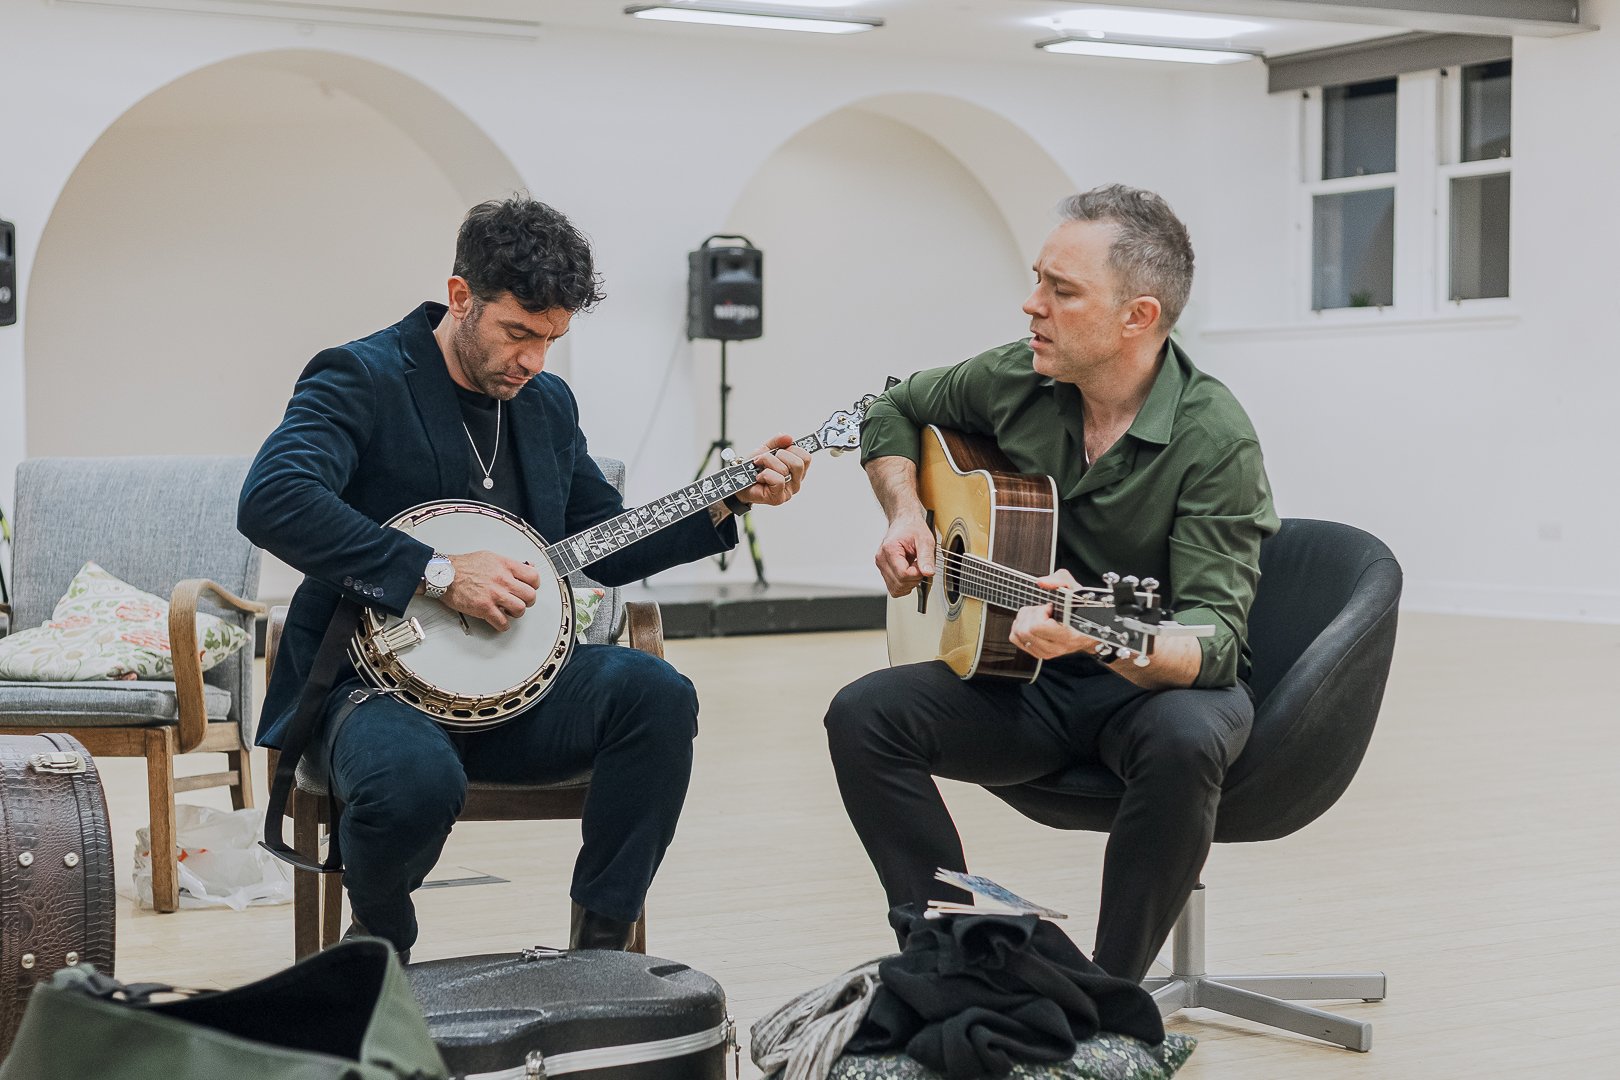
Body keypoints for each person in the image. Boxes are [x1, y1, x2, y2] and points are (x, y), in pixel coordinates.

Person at [239, 195, 809, 958]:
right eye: (518, 333)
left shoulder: (543, 404)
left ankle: (601, 946)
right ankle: (378, 949)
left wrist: (724, 499)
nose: (533, 360)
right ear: (460, 297)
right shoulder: (363, 377)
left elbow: (598, 541)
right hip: (367, 689)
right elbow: (273, 499)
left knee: (657, 694)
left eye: (551, 339)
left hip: (521, 690)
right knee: (414, 779)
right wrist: (437, 572)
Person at [824, 184, 1277, 983]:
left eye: (1061, 291)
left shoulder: (1215, 438)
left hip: (1152, 688)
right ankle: (948, 959)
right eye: (1039, 279)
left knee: (1186, 737)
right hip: (1028, 679)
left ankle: (1111, 995)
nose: (1031, 305)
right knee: (863, 716)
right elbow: (892, 408)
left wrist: (1100, 629)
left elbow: (1215, 638)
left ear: (1138, 316)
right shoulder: (1017, 377)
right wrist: (906, 513)